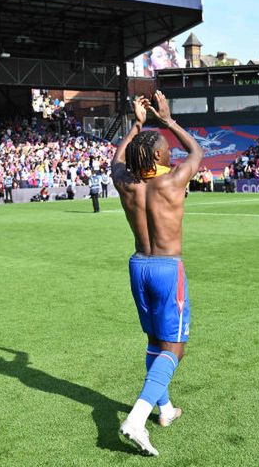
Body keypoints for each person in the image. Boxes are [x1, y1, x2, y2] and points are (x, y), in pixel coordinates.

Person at [111, 92, 202, 456]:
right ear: (160, 157)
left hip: (138, 266)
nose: (168, 151)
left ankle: (164, 410)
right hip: (167, 268)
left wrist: (136, 125)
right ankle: (137, 417)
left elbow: (117, 160)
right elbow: (196, 153)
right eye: (164, 149)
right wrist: (168, 121)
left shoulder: (125, 183)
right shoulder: (173, 180)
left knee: (153, 340)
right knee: (175, 348)